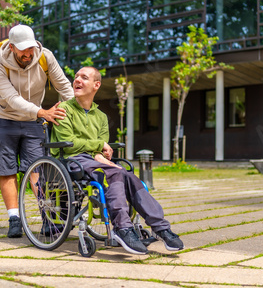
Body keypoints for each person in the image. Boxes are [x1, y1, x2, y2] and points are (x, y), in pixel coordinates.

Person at [50, 66, 184, 255]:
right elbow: (69, 144)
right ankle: (122, 228)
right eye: (76, 77)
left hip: (91, 160)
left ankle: (161, 228)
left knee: (127, 174)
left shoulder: (101, 117)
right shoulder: (64, 109)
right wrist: (98, 148)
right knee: (113, 172)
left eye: (84, 77)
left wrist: (100, 155)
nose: (77, 80)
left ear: (96, 85)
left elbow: (100, 150)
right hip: (72, 160)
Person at [0, 24, 74, 238]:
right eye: (23, 50)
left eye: (31, 49)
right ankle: (14, 218)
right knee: (6, 168)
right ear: (12, 47)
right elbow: (12, 99)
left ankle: (47, 216)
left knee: (38, 169)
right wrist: (42, 112)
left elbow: (64, 87)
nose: (28, 54)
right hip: (4, 117)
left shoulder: (45, 57)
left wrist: (80, 114)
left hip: (34, 119)